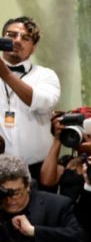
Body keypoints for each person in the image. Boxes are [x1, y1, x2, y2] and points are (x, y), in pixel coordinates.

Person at [1, 17, 60, 183]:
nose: (17, 40)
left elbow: (42, 103)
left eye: (25, 38)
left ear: (33, 48)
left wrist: (5, 74)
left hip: (37, 170)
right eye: (11, 35)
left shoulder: (45, 75)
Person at [0, 153, 88, 242]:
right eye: (4, 193)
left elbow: (81, 237)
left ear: (28, 186)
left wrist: (34, 231)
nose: (10, 200)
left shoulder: (57, 205)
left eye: (17, 193)